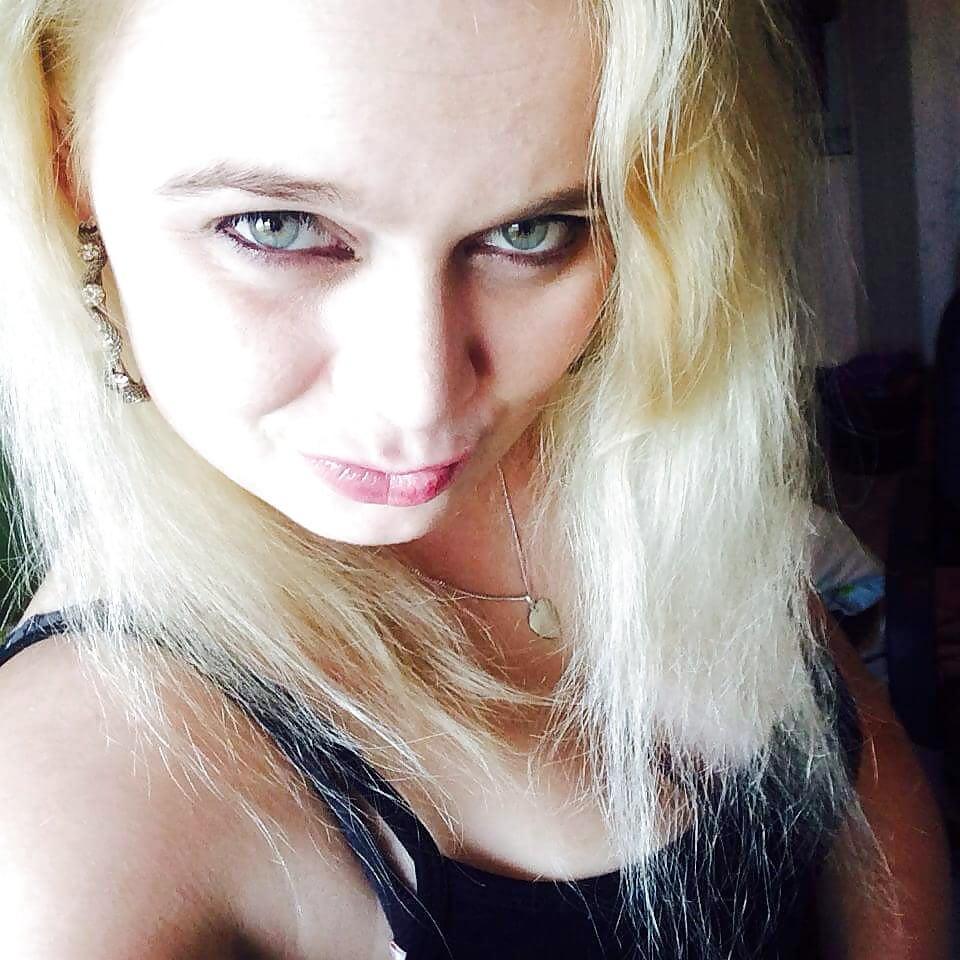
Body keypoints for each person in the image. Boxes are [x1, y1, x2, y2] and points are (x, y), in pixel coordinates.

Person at [0, 1, 949, 957]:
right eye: (276, 227)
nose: (423, 404)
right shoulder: (62, 815)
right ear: (64, 154)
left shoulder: (642, 465)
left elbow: (861, 781)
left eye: (533, 232)